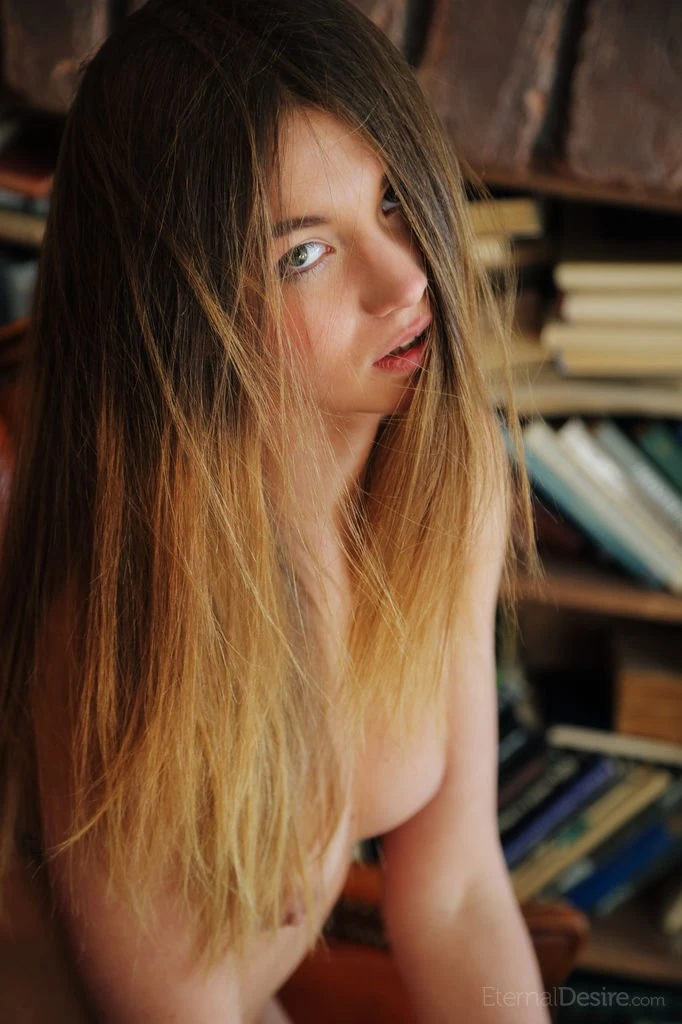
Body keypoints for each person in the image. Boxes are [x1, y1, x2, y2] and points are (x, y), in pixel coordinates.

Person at [0, 0, 549, 1021]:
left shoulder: (445, 484)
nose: (404, 282)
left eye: (393, 200)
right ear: (177, 308)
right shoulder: (126, 596)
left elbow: (457, 892)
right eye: (303, 253)